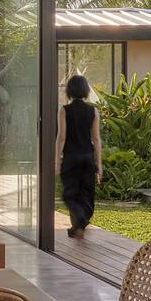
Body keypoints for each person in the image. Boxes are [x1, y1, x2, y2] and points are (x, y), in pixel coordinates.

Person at [56, 75, 102, 237]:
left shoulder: (64, 110)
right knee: (86, 193)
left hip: (70, 158)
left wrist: (57, 161)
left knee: (70, 194)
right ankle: (79, 225)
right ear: (85, 90)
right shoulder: (93, 111)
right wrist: (99, 165)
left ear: (69, 90)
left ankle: (79, 222)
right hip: (87, 158)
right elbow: (96, 139)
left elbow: (61, 137)